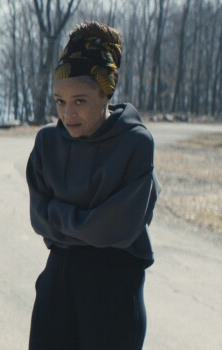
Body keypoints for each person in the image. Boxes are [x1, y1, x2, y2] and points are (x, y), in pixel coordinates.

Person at [25, 20, 160, 350]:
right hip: (56, 286)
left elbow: (118, 229)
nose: (67, 113)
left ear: (106, 93)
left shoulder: (135, 144)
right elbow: (39, 219)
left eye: (80, 101)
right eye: (59, 100)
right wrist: (88, 221)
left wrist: (61, 215)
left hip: (113, 289)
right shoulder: (47, 143)